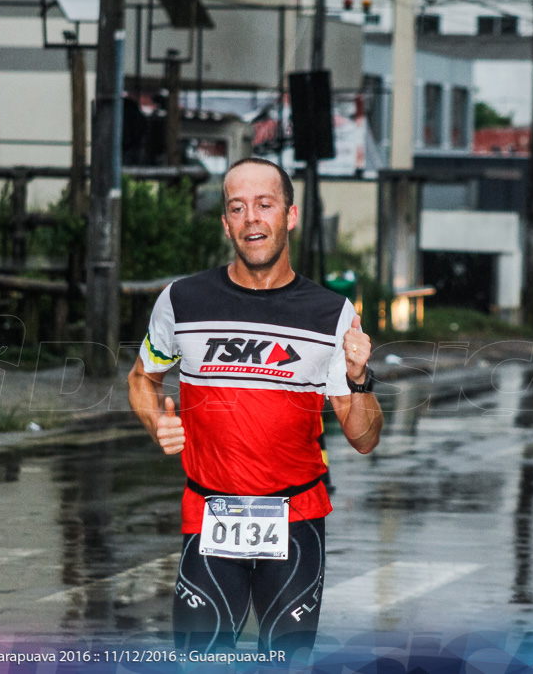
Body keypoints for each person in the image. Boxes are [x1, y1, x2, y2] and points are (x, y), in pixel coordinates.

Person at [127, 157, 383, 660]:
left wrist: (358, 378)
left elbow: (365, 437)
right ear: (225, 223)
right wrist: (156, 418)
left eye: (264, 205)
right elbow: (141, 378)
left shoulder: (332, 315)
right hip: (209, 513)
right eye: (238, 208)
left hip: (296, 519)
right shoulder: (183, 300)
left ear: (289, 214)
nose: (251, 219)